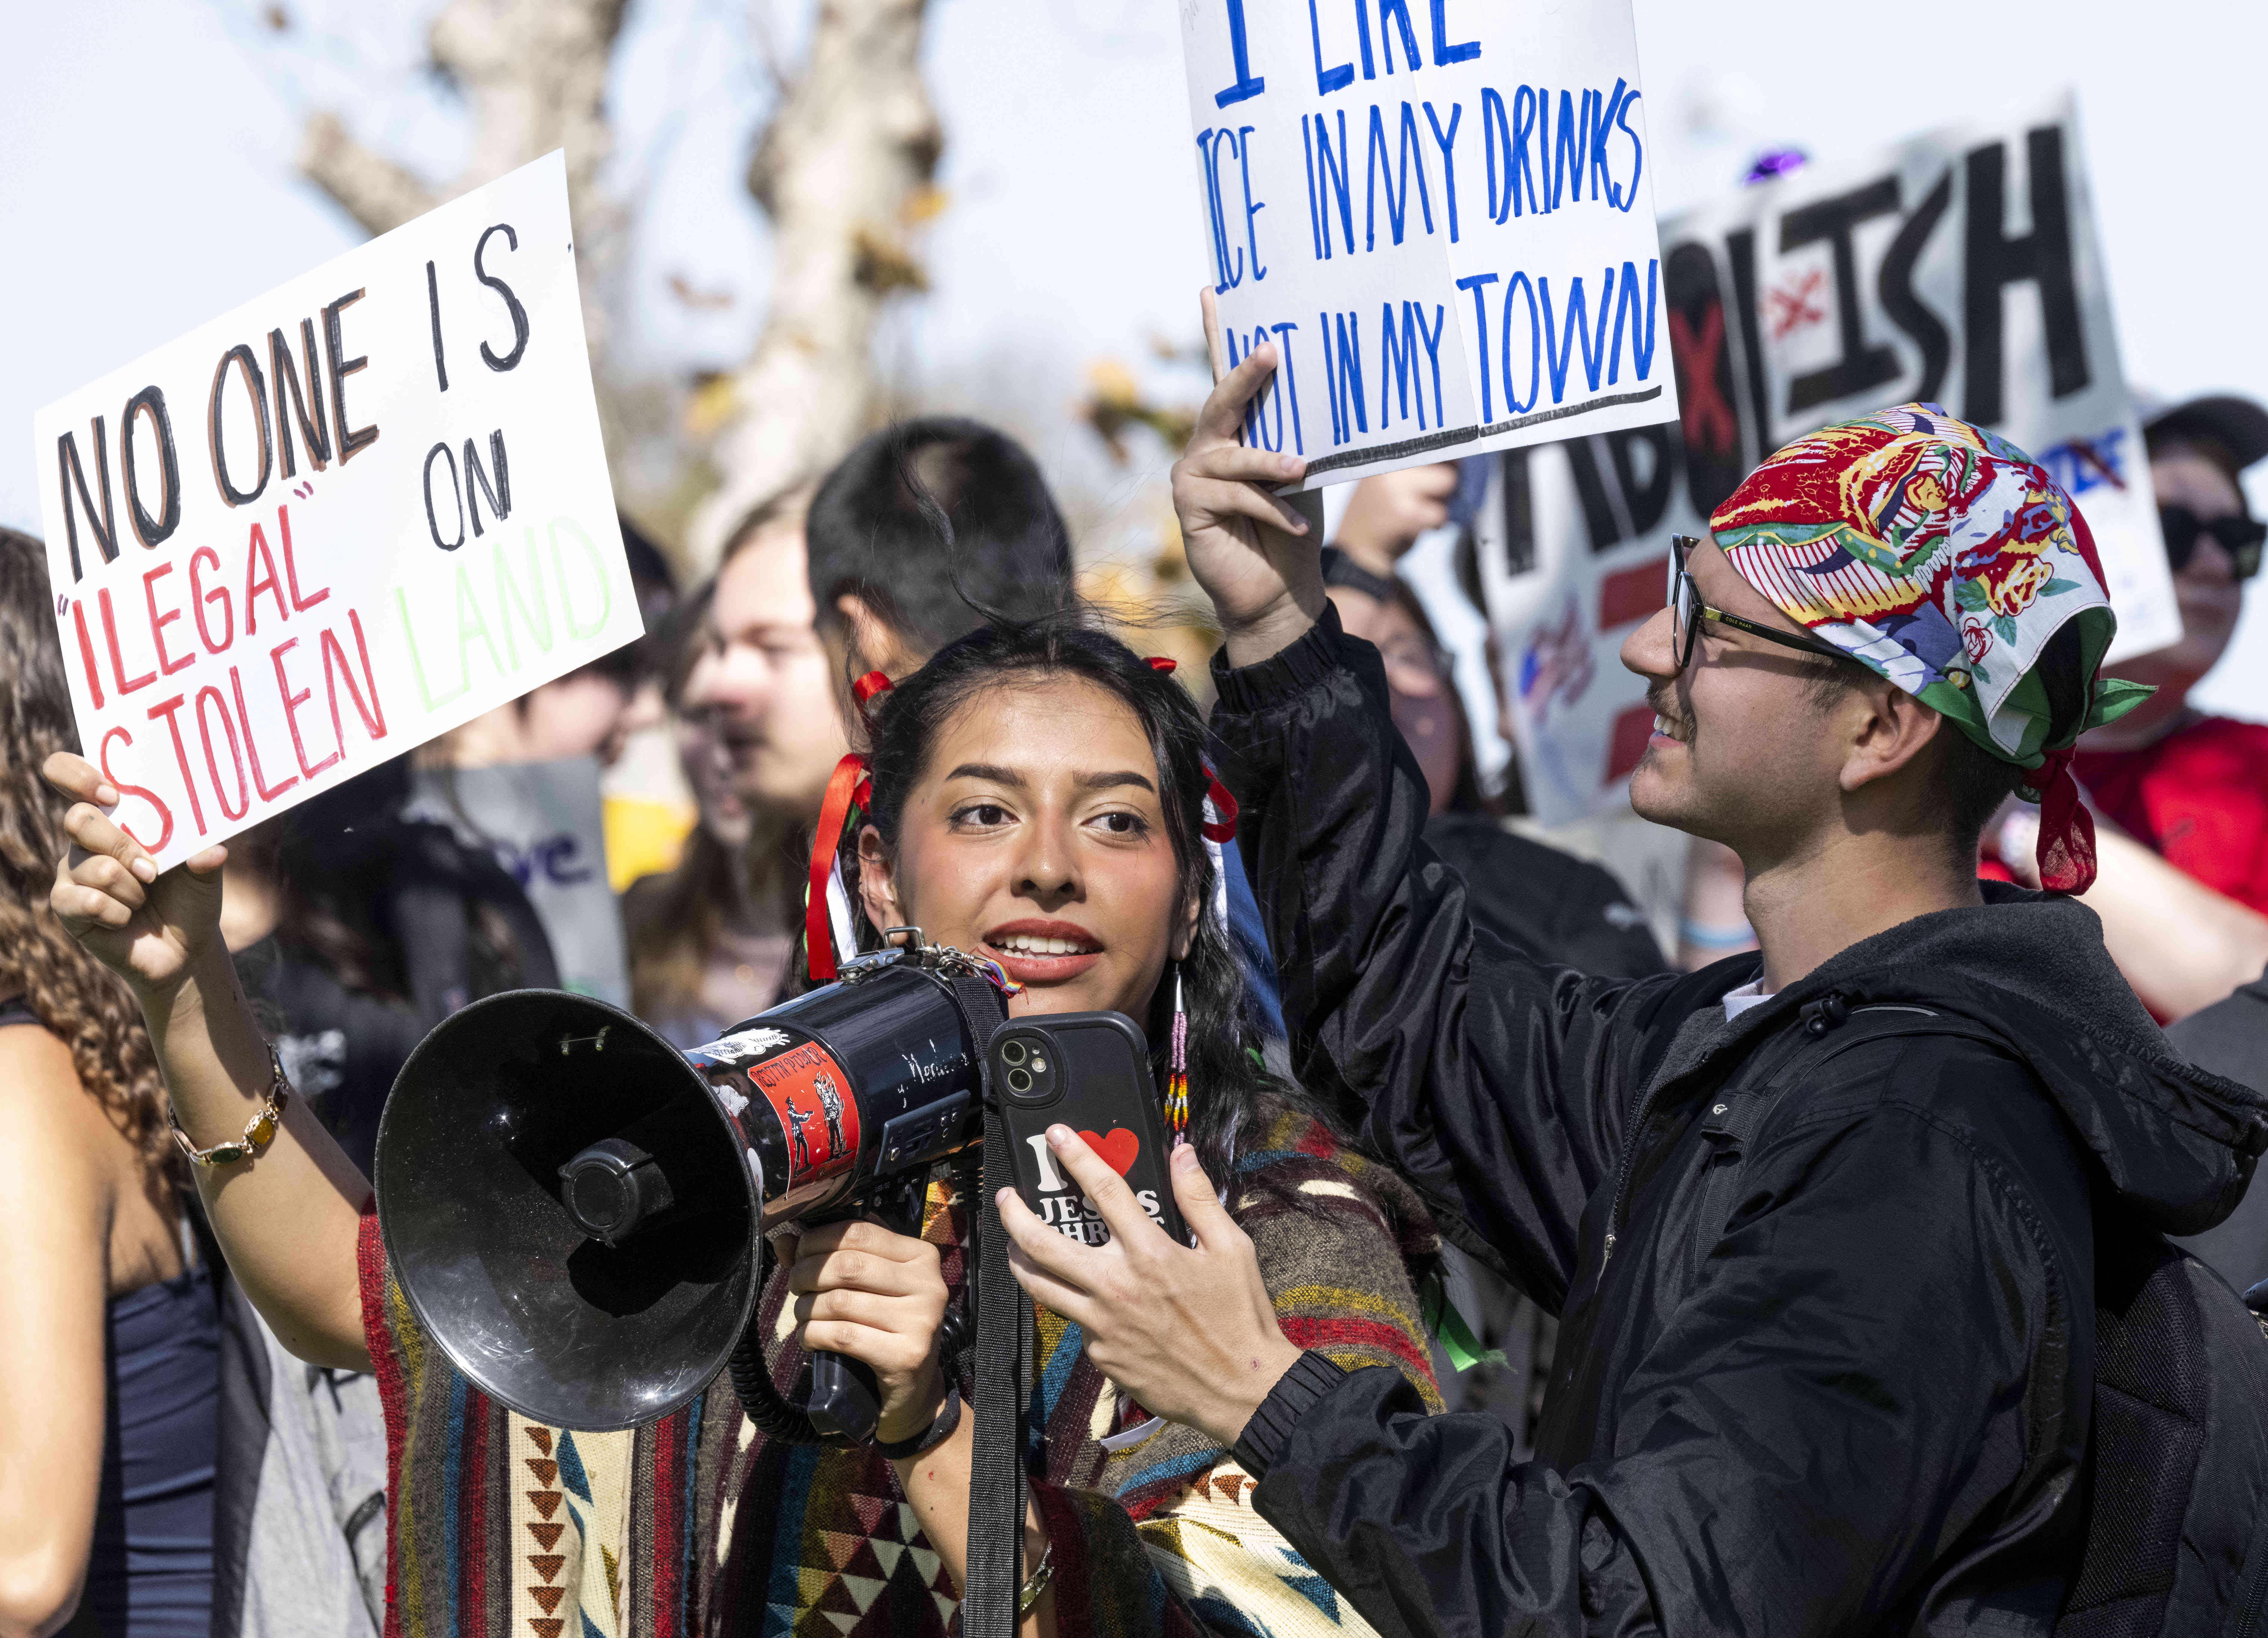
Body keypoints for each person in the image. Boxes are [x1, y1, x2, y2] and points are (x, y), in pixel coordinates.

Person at [1002, 354, 2268, 1635]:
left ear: (1881, 729)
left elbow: (1640, 1607)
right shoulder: (1753, 1048)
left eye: (1710, 626)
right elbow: (1410, 1016)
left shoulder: (1912, 1149)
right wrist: (1282, 620)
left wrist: (1264, 1389)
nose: (1645, 648)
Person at [43, 611, 1445, 1636]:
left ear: (1187, 894)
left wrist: (933, 1424)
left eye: (1117, 822)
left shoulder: (1285, 1236)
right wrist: (186, 991)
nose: (1047, 869)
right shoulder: (758, 1151)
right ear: (886, 876)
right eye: (984, 810)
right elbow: (376, 1306)